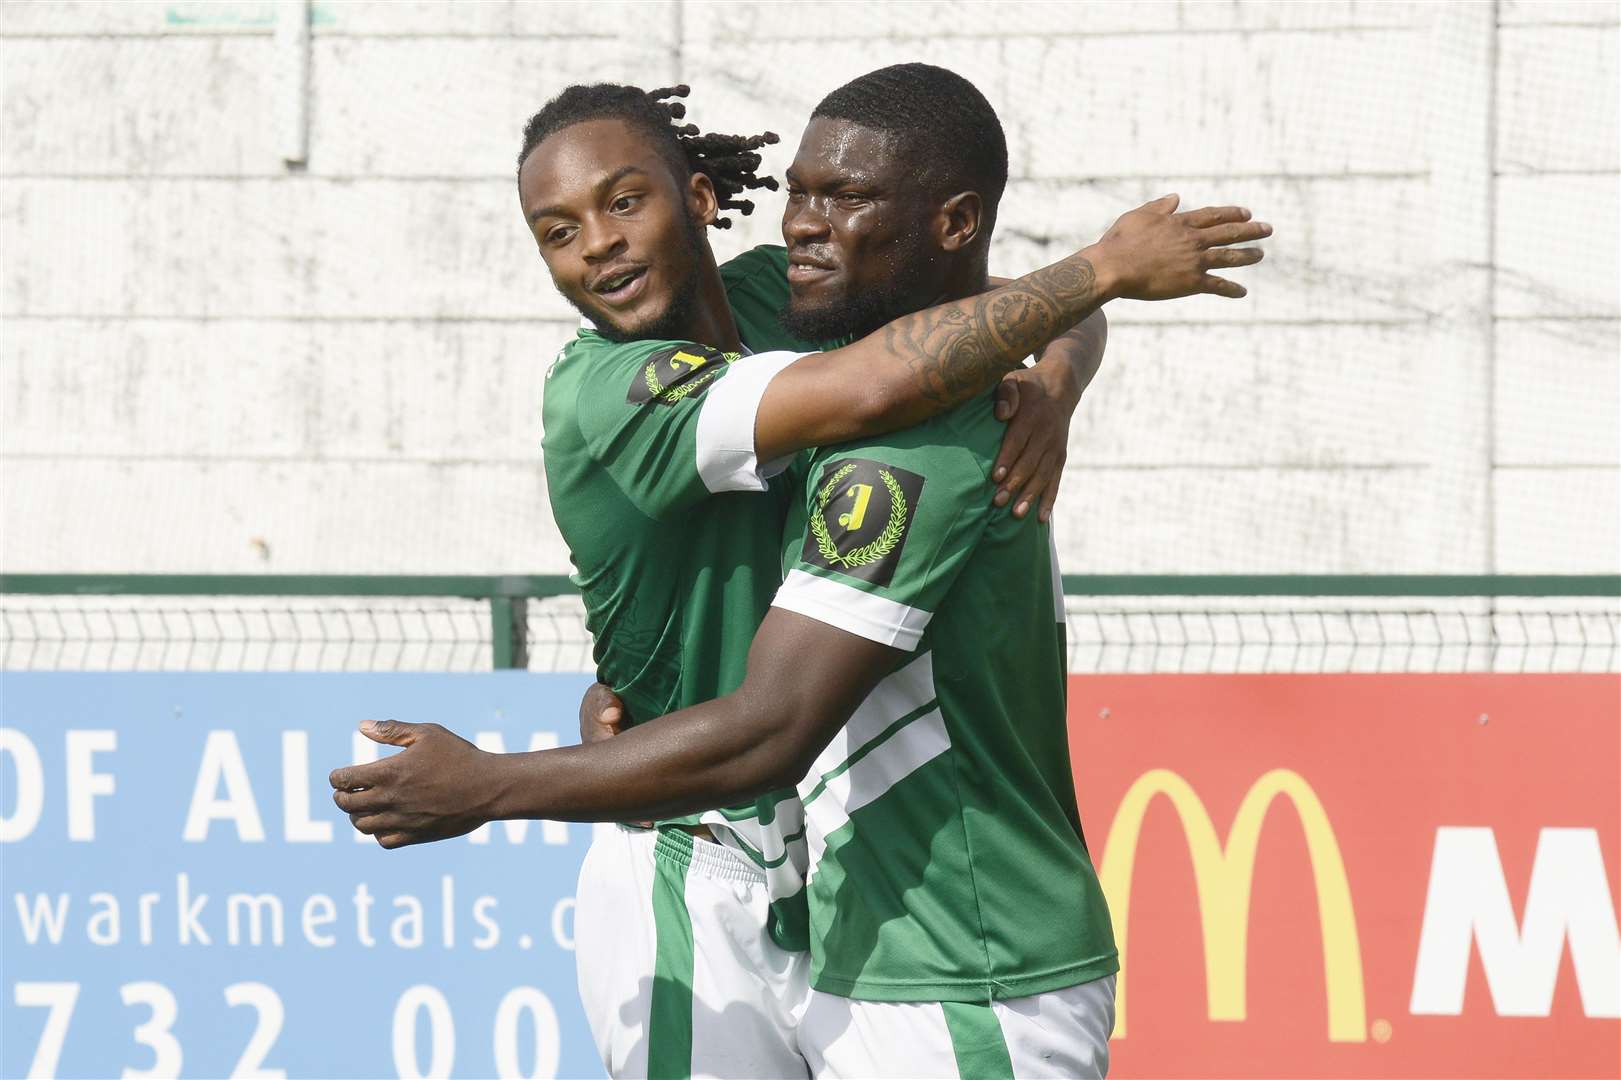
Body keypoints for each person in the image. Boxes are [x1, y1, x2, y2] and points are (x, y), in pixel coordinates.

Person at [333, 66, 1268, 1078]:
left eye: (622, 201)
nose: (595, 242)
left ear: (696, 197)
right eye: (556, 232)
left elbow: (1006, 306)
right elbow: (878, 383)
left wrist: (1053, 381)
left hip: (829, 861)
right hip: (694, 842)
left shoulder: (791, 295)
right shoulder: (608, 392)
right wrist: (1104, 269)